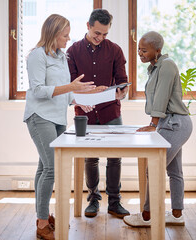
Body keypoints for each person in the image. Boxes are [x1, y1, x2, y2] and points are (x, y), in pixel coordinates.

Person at [23, 14, 96, 240]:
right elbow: (38, 90)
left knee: (43, 168)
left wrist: (77, 99)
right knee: (52, 169)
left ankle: (41, 215)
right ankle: (43, 223)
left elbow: (64, 91)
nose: (68, 38)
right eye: (64, 35)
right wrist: (70, 88)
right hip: (39, 116)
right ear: (53, 34)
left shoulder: (61, 57)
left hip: (57, 118)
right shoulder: (37, 56)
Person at [123, 31, 193, 227]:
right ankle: (177, 215)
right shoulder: (155, 67)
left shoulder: (167, 66)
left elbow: (162, 97)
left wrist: (153, 124)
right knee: (174, 169)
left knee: (153, 167)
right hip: (169, 123)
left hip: (175, 124)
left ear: (158, 50)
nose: (140, 53)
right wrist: (156, 124)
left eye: (144, 50)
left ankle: (147, 215)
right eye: (139, 49)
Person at [66, 9, 130, 219]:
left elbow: (122, 80)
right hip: (84, 112)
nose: (101, 38)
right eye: (97, 33)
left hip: (111, 110)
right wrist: (84, 94)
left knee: (115, 157)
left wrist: (122, 92)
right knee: (90, 158)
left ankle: (114, 201)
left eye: (105, 34)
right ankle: (93, 199)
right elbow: (71, 85)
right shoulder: (72, 51)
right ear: (88, 26)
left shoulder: (116, 50)